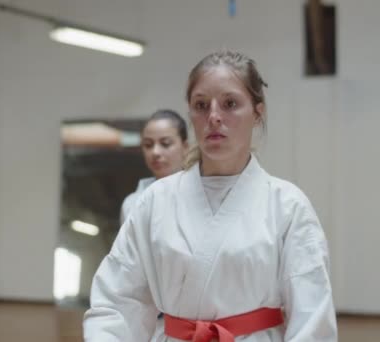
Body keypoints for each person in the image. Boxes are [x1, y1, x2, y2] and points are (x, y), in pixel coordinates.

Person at [83, 50, 337, 341]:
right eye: (201, 105)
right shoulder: (156, 201)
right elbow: (117, 299)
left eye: (230, 103)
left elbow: (312, 316)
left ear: (258, 112)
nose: (214, 117)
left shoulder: (288, 206)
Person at [120, 109, 189, 224]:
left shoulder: (204, 194)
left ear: (185, 147)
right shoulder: (132, 204)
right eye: (148, 145)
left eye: (165, 143)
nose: (155, 152)